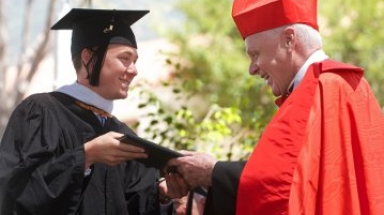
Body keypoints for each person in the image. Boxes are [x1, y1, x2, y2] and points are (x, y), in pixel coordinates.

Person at [166, 0, 384, 214]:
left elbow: (284, 185)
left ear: (289, 40)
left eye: (255, 54)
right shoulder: (345, 85)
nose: (252, 69)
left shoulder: (321, 87)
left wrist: (213, 173)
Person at [0, 8, 188, 215]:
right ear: (89, 57)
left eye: (135, 61)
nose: (134, 70)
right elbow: (14, 195)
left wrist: (161, 193)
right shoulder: (40, 112)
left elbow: (132, 201)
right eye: (125, 59)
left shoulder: (123, 134)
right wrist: (86, 157)